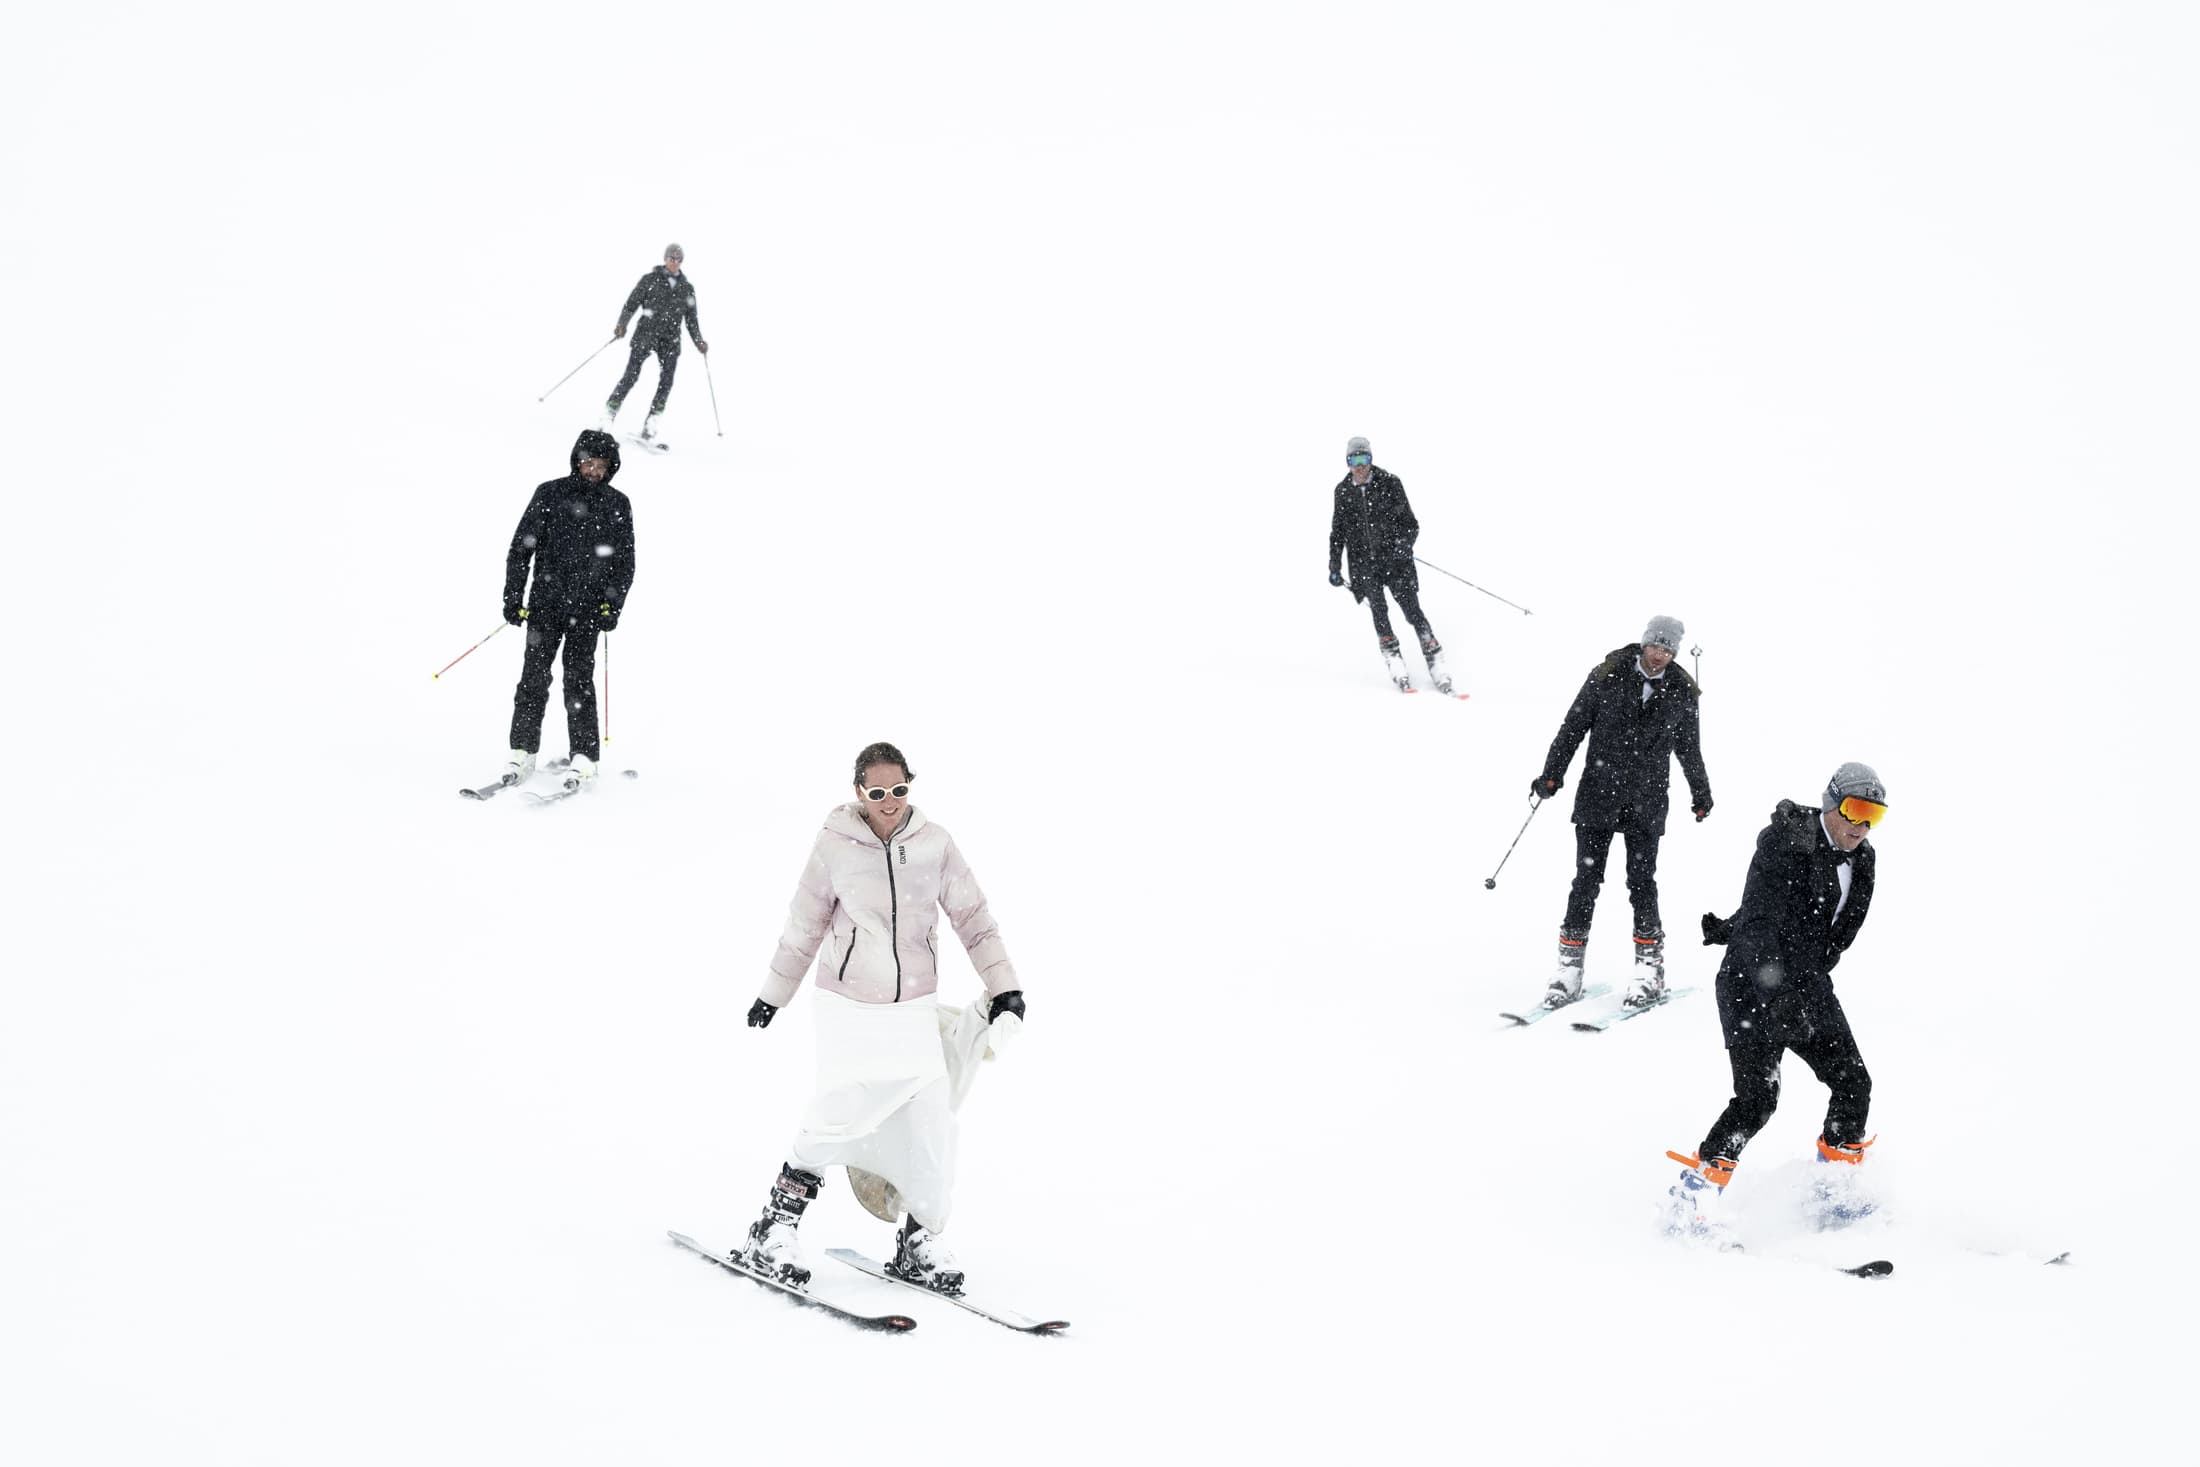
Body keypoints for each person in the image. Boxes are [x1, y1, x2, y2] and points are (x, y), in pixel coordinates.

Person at [738, 742, 1027, 1293]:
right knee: (838, 1110)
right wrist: (774, 994)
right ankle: (775, 1226)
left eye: (899, 790)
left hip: (912, 1007)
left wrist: (1005, 987)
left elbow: (974, 918)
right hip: (847, 1005)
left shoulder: (934, 844)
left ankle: (919, 1237)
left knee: (930, 1122)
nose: (889, 801)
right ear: (858, 793)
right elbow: (804, 925)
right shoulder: (835, 845)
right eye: (878, 792)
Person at [1664, 763, 1886, 1223]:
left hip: (1807, 985)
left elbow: (1816, 924)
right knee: (1756, 1100)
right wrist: (1772, 984)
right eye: (1855, 810)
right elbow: (1765, 915)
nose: (1862, 826)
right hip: (1751, 984)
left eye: (1874, 816)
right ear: (1832, 803)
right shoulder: (1786, 838)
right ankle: (1691, 1203)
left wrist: (1738, 926)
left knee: (1853, 1083)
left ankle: (1834, 1193)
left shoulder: (1862, 860)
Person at [1530, 616, 1711, 1009]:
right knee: (1586, 881)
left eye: (1668, 649)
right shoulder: (1607, 674)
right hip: (1598, 795)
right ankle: (1569, 969)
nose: (1660, 654)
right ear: (1644, 643)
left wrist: (1701, 792)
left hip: (1646, 802)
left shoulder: (1681, 691)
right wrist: (1551, 774)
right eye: (1655, 646)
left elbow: (1689, 749)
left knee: (1641, 882)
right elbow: (1573, 726)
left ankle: (1649, 970)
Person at [498, 429, 635, 792]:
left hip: (587, 611)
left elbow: (625, 563)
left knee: (578, 683)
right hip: (545, 605)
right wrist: (513, 598)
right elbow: (520, 549)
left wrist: (612, 606)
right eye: (588, 462)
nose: (593, 471)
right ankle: (522, 750)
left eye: (601, 466)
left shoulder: (617, 504)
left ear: (610, 469)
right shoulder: (550, 493)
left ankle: (584, 756)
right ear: (577, 460)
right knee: (533, 679)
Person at [1328, 436, 1454, 694]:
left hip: (1396, 563)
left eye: (1365, 459)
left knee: (1412, 611)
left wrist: (1403, 544)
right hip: (1364, 567)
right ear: (1348, 462)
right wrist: (1334, 565)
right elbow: (1337, 533)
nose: (1360, 466)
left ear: (1371, 460)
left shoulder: (1391, 484)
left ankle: (1435, 657)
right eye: (1355, 460)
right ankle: (1394, 659)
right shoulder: (1342, 492)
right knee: (1380, 614)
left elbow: (1411, 524)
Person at [604, 243, 707, 441]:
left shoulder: (687, 288)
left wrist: (699, 341)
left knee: (666, 382)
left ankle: (651, 424)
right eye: (671, 257)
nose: (674, 262)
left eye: (678, 259)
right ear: (665, 258)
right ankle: (608, 414)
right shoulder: (649, 280)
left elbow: (692, 319)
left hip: (670, 340)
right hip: (645, 334)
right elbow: (631, 303)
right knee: (630, 376)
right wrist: (622, 324)